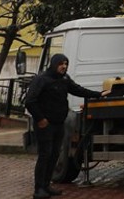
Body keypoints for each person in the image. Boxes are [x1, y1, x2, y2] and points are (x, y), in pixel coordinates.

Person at [24, 54, 107, 199]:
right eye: (61, 63)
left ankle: (47, 185)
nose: (64, 66)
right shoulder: (42, 79)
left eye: (66, 64)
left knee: (54, 155)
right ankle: (39, 189)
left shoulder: (64, 79)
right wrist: (40, 119)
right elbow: (30, 101)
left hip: (58, 123)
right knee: (45, 155)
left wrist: (98, 94)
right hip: (45, 125)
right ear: (54, 64)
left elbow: (77, 89)